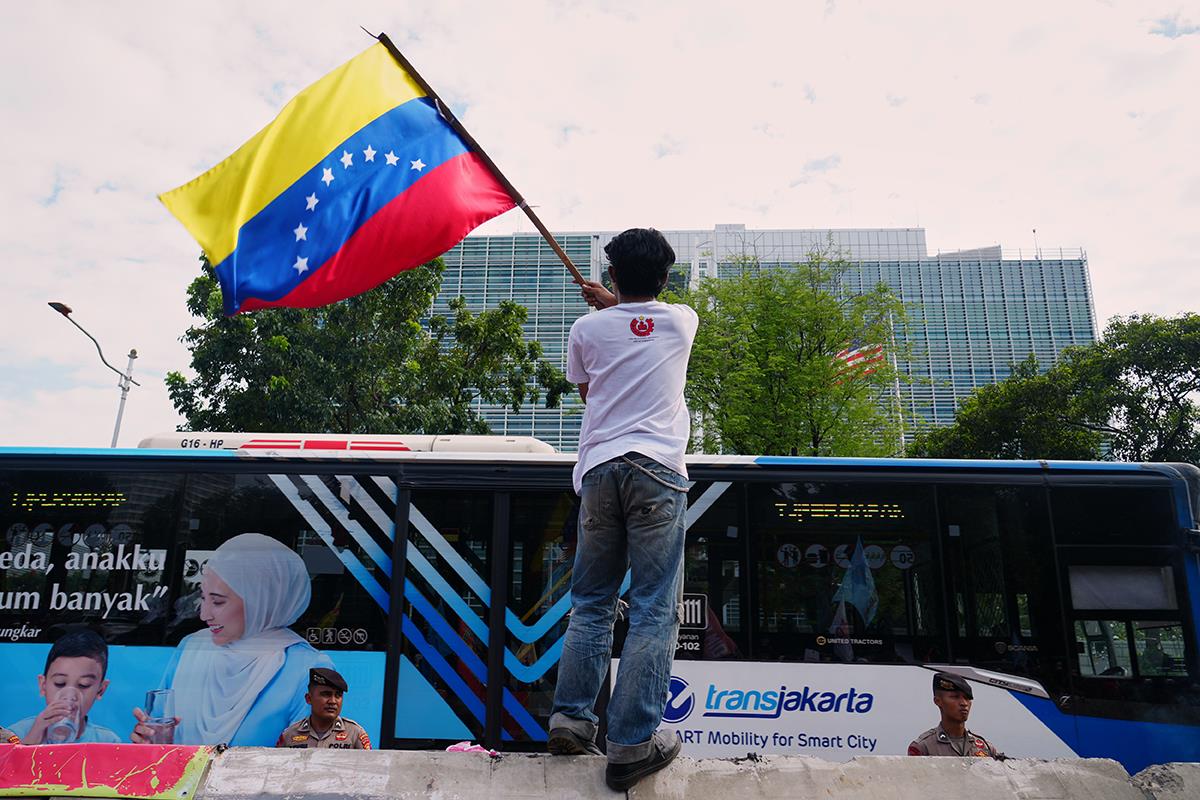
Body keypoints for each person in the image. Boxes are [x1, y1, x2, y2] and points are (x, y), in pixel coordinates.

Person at [546, 228, 698, 792]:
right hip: (658, 471)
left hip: (600, 471)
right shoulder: (682, 321)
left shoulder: (584, 329)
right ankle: (632, 742)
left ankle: (570, 718)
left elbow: (593, 393)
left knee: (591, 604)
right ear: (665, 277)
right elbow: (646, 320)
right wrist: (622, 306)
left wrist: (610, 309)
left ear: (611, 274)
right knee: (654, 608)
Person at [131, 533, 333, 746]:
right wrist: (148, 742)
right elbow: (159, 734)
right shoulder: (192, 647)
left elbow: (309, 761)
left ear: (260, 601)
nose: (204, 615)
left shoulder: (309, 668)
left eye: (217, 602)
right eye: (203, 597)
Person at [9, 629, 122, 744]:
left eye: (84, 685)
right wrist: (31, 741)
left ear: (100, 690)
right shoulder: (16, 735)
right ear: (43, 685)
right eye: (60, 683)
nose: (70, 696)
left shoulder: (107, 742)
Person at [908, 672, 1005, 759]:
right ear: (938, 701)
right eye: (955, 697)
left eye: (967, 698)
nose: (964, 703)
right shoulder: (924, 747)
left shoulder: (985, 747)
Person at [275, 667, 370, 749]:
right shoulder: (289, 735)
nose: (333, 701)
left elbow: (370, 767)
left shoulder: (354, 733)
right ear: (309, 699)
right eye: (326, 694)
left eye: (338, 695)